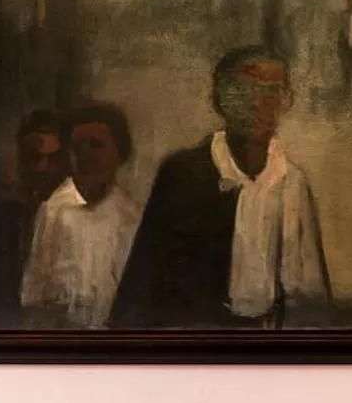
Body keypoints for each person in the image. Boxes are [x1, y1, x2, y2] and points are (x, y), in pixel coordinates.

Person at [112, 48, 330, 328]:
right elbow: (146, 276)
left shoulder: (292, 183)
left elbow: (309, 284)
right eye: (243, 91)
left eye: (272, 91)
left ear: (287, 100)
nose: (257, 103)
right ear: (220, 101)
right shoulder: (184, 174)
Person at [19, 104, 143, 328]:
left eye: (96, 146)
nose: (86, 155)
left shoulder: (131, 216)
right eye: (77, 147)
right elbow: (34, 290)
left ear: (120, 154)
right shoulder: (54, 210)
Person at [0, 108, 68, 325]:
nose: (42, 168)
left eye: (52, 159)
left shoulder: (76, 217)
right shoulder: (1, 217)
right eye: (34, 158)